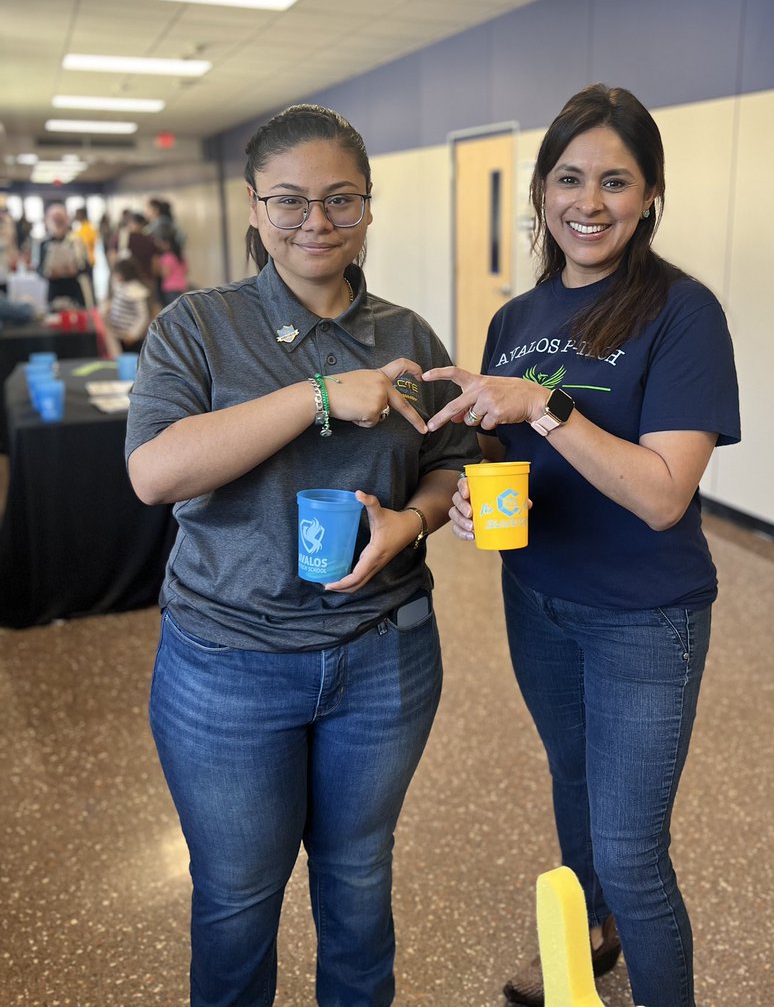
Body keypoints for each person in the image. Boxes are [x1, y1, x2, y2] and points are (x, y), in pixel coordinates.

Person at [125, 103, 478, 1007]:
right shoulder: (197, 328)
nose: (315, 223)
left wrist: (416, 522)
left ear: (368, 206)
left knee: (359, 885)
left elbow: (449, 467)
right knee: (239, 901)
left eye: (339, 200)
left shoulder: (408, 335)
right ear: (253, 209)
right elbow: (156, 473)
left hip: (384, 655)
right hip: (229, 667)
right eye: (288, 202)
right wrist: (320, 396)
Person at [424, 84, 741, 1007]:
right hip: (538, 598)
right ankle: (589, 951)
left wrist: (547, 405)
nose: (588, 203)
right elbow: (502, 452)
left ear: (649, 197)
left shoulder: (684, 314)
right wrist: (468, 495)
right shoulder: (514, 321)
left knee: (633, 851)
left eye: (615, 181)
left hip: (644, 616)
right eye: (569, 178)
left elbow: (661, 496)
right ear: (540, 189)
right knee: (572, 787)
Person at [35, 202, 91, 306]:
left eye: (61, 221)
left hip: (74, 289)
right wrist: (48, 273)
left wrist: (75, 270)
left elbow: (87, 267)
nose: (58, 224)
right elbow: (38, 270)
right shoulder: (43, 244)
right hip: (54, 289)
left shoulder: (77, 241)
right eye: (55, 221)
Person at [105, 257, 151, 352]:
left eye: (118, 273)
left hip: (129, 338)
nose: (116, 276)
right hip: (118, 334)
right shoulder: (120, 285)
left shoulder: (135, 290)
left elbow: (142, 315)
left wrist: (133, 334)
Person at [154, 233, 189, 306]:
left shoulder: (167, 257)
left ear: (168, 244)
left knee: (172, 312)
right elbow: (186, 271)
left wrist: (157, 270)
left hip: (170, 288)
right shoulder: (181, 256)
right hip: (182, 286)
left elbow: (166, 274)